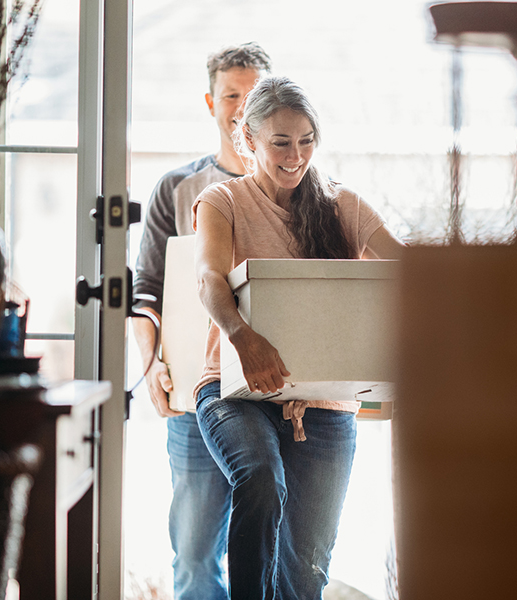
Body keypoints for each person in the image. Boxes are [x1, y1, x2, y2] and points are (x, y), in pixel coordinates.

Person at [192, 76, 405, 599]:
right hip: (236, 390)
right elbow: (210, 279)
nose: (296, 155)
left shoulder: (342, 205)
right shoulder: (223, 201)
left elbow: (408, 269)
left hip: (326, 404)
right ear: (249, 141)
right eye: (280, 142)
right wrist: (242, 335)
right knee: (261, 479)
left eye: (306, 140)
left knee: (305, 572)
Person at [132, 42, 272, 600]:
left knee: (267, 551)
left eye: (253, 94)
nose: (241, 107)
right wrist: (151, 367)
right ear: (210, 101)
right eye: (231, 94)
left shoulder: (296, 189)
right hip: (195, 394)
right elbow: (144, 292)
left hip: (274, 397)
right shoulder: (175, 189)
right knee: (193, 555)